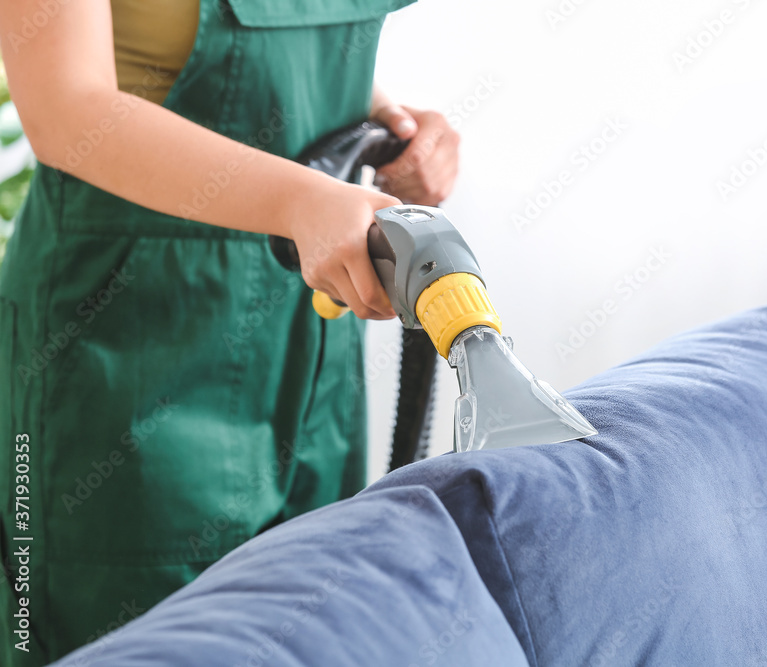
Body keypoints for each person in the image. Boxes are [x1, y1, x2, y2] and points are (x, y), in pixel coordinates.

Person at [0, 0, 459, 663]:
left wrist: (392, 122)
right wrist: (299, 199)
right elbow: (65, 109)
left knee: (310, 630)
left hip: (311, 327)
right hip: (127, 336)